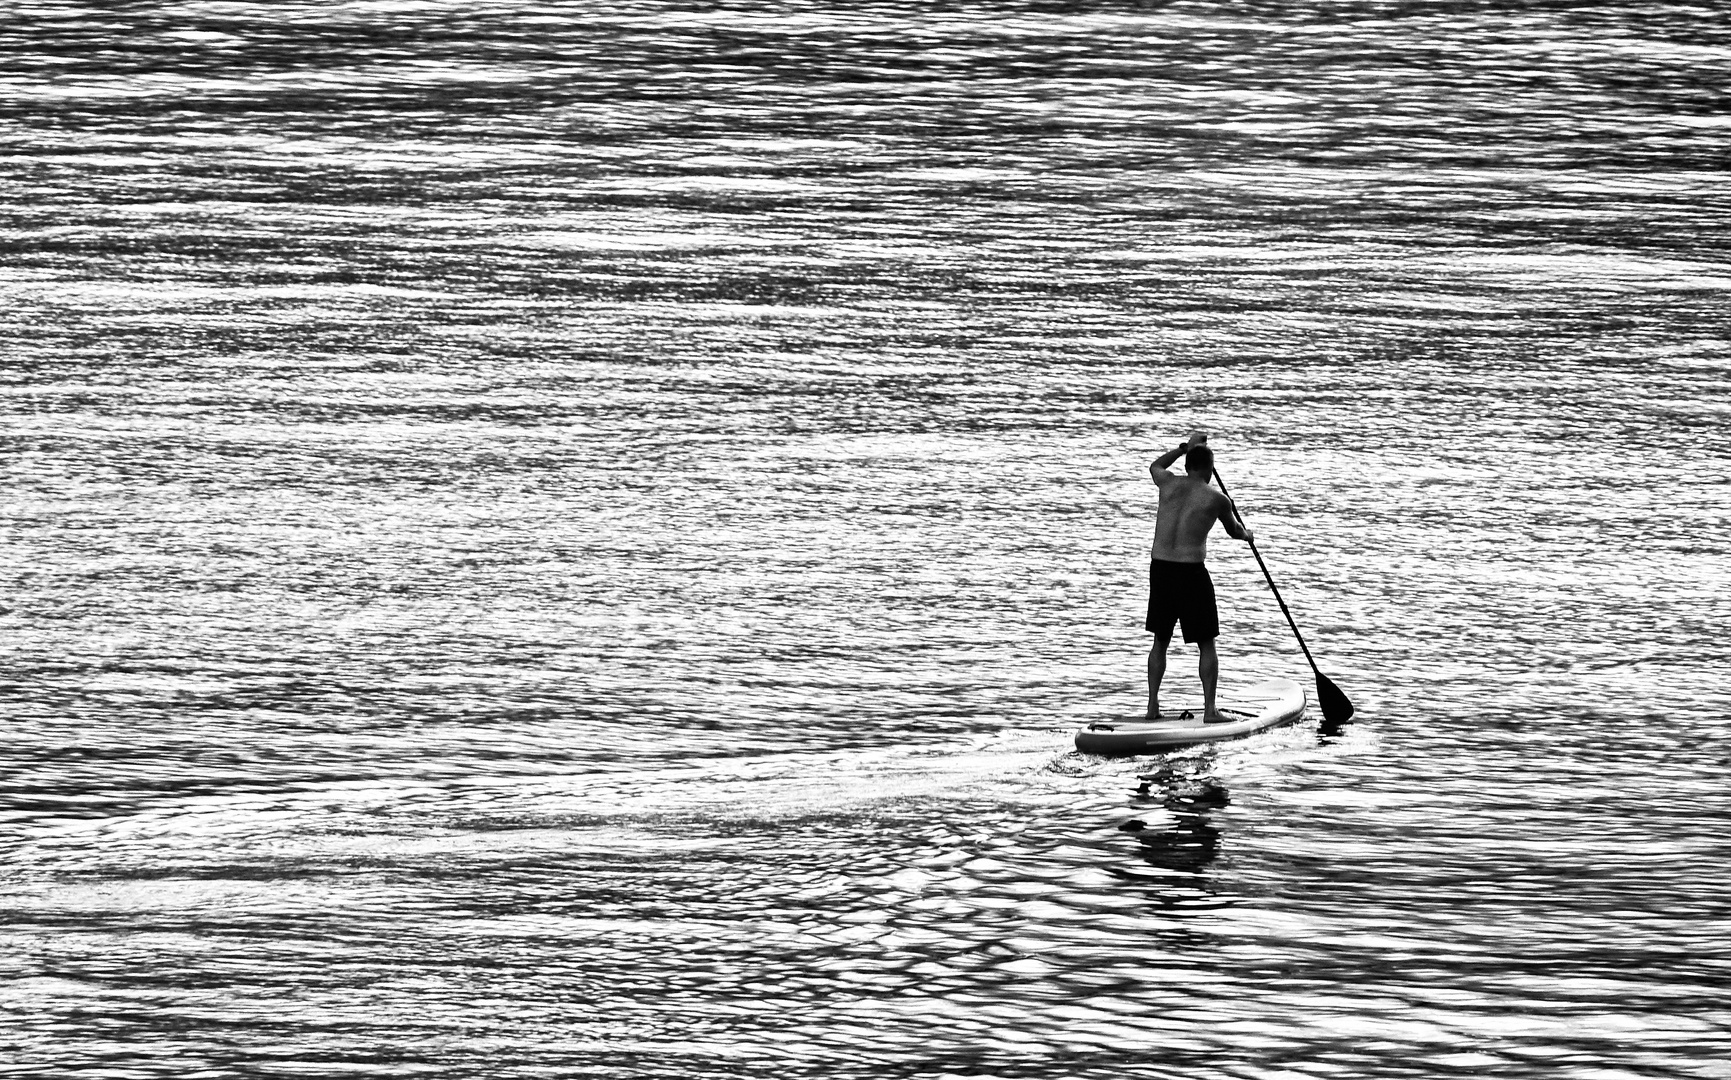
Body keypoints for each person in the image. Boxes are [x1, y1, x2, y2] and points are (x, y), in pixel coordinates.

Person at [1144, 431, 1253, 722]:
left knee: (1160, 640)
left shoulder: (1167, 483)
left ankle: (1152, 707)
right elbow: (1234, 531)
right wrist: (1248, 534)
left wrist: (1182, 448)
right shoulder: (1218, 499)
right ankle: (1209, 711)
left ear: (1187, 463)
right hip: (1191, 573)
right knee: (1207, 642)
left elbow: (1155, 466)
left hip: (1161, 569)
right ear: (1209, 468)